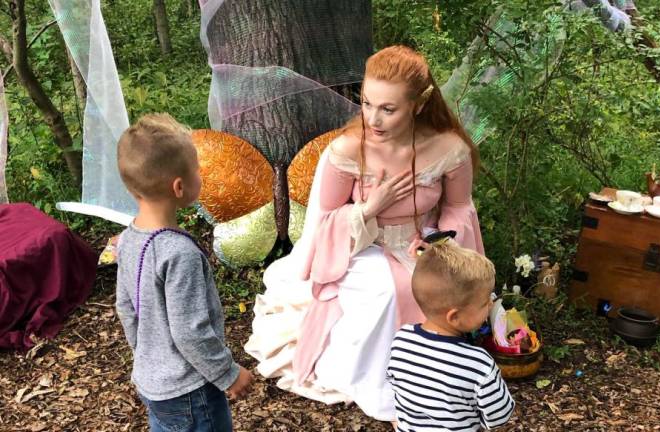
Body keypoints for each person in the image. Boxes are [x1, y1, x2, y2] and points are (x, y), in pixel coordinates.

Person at [245, 45, 484, 421]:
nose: (373, 118)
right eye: (367, 103)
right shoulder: (347, 150)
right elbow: (325, 222)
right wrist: (372, 207)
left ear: (418, 105)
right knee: (391, 290)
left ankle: (435, 378)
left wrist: (441, 242)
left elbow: (458, 207)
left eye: (388, 109)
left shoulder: (448, 148)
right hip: (361, 244)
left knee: (434, 285)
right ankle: (382, 388)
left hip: (425, 241)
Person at [115, 113, 253, 432]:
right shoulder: (180, 253)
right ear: (179, 187)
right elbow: (190, 332)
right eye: (197, 170)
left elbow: (125, 307)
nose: (200, 175)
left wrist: (149, 356)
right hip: (191, 391)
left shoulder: (127, 240)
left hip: (153, 385)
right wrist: (228, 374)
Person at [387, 240, 514, 431]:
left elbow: (396, 387)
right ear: (454, 317)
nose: (490, 305)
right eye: (484, 303)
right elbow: (499, 416)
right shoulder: (478, 363)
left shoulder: (401, 341)